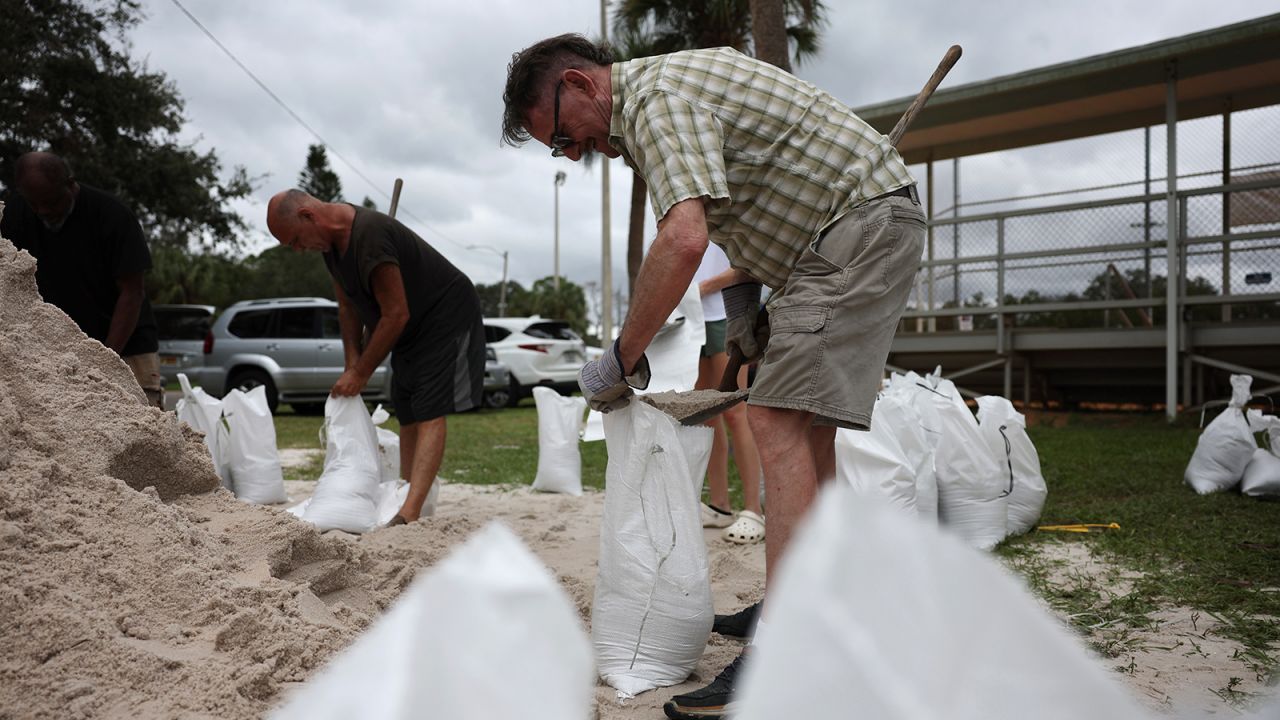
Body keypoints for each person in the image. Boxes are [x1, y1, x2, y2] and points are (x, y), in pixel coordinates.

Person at [502, 35, 926, 719]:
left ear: (578, 85)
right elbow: (755, 202)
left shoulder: (654, 100)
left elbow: (683, 239)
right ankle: (815, 596)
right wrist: (749, 306)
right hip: (841, 233)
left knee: (775, 421)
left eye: (560, 137)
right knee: (804, 426)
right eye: (560, 149)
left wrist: (622, 357)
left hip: (857, 225)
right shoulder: (664, 98)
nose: (572, 152)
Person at [265, 189, 485, 526]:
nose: (298, 249)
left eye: (295, 240)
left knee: (429, 406)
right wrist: (352, 361)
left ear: (308, 216)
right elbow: (348, 306)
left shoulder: (371, 237)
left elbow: (395, 314)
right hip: (411, 323)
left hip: (444, 314)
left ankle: (410, 513)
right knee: (407, 405)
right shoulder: (331, 249)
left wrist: (362, 372)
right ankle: (405, 496)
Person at [0, 152, 163, 409]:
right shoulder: (16, 215)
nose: (43, 211)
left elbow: (132, 293)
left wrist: (104, 359)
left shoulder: (113, 216)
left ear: (70, 184)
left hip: (127, 344)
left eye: (51, 202)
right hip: (59, 350)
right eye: (34, 203)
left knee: (142, 422)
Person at [693, 243, 764, 544]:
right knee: (705, 413)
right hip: (693, 319)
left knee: (736, 412)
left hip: (728, 312)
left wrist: (707, 286)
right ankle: (720, 505)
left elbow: (751, 261)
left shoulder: (733, 200)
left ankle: (753, 510)